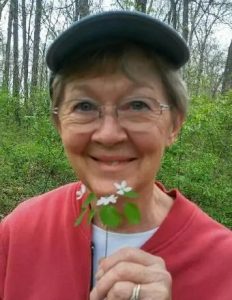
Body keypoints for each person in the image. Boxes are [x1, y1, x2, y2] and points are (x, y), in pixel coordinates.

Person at [0, 11, 231, 300]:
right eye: (84, 106)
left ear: (174, 125)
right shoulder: (20, 233)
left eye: (136, 104)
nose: (108, 135)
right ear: (60, 125)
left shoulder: (224, 265)